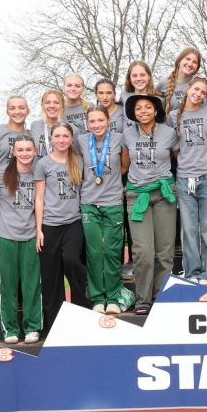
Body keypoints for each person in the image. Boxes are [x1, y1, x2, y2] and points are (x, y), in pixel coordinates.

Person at [121, 94, 179, 315]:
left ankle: (161, 296)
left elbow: (179, 159)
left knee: (164, 251)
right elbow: (125, 166)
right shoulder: (127, 134)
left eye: (148, 107)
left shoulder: (169, 133)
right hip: (138, 195)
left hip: (164, 193)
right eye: (138, 108)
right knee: (143, 251)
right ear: (133, 113)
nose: (143, 111)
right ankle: (143, 299)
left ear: (156, 111)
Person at [34, 122, 89, 332]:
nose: (61, 140)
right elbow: (39, 198)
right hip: (49, 224)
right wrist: (39, 229)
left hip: (73, 222)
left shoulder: (79, 162)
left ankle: (82, 313)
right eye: (57, 136)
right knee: (50, 275)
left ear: (71, 138)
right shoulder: (43, 164)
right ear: (52, 139)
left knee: (72, 260)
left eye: (65, 136)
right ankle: (53, 325)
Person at [169, 78, 207, 285]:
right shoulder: (174, 116)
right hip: (184, 178)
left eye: (203, 92)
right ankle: (191, 272)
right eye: (196, 89)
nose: (199, 94)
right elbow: (173, 146)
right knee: (189, 229)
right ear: (188, 89)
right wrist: (185, 158)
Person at [0, 134, 42, 344]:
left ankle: (32, 328)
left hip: (30, 235)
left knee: (32, 285)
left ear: (35, 151)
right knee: (7, 286)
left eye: (28, 150)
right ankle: (9, 329)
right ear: (13, 152)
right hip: (5, 235)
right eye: (20, 150)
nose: (24, 154)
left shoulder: (39, 174)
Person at [77, 106, 126, 313]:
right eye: (92, 121)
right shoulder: (80, 141)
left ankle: (114, 297)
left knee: (112, 252)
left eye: (100, 120)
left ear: (108, 121)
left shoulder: (119, 138)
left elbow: (124, 166)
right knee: (94, 252)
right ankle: (97, 298)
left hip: (113, 201)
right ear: (88, 124)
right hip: (89, 201)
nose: (96, 125)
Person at [0, 95, 30, 169]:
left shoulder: (31, 135)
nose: (17, 112)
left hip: (24, 179)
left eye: (21, 108)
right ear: (7, 112)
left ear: (28, 111)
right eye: (12, 108)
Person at [160, 47, 202, 114]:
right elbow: (156, 112)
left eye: (194, 62)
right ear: (179, 60)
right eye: (188, 59)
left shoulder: (199, 85)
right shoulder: (163, 83)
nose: (190, 64)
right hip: (169, 124)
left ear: (197, 67)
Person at [30, 89, 64, 158]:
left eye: (56, 103)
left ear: (62, 106)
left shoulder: (67, 127)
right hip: (38, 168)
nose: (52, 106)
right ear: (42, 105)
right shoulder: (35, 126)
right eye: (47, 102)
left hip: (60, 168)